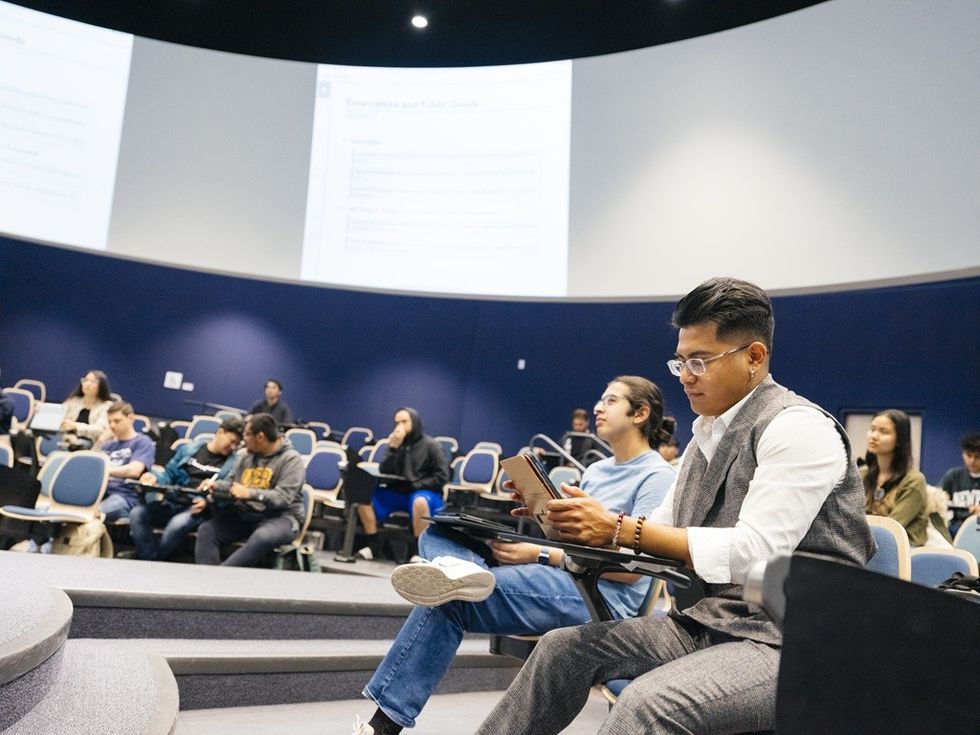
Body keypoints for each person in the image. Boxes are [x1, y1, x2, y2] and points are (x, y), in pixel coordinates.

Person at [474, 276, 875, 735]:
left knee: (649, 703)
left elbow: (757, 554)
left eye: (700, 362)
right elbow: (656, 533)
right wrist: (575, 523)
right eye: (681, 361)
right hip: (712, 623)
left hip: (796, 642)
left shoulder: (799, 428)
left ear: (754, 357)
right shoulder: (705, 439)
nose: (685, 376)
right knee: (560, 651)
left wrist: (618, 528)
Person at [350, 378, 677, 735]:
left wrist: (537, 553)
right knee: (438, 531)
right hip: (564, 571)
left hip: (597, 595)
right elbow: (572, 539)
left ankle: (380, 728)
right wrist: (539, 512)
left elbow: (631, 571)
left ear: (640, 413)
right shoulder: (597, 470)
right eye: (600, 399)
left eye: (610, 400)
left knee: (447, 597)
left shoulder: (656, 476)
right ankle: (462, 570)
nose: (598, 407)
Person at [194, 413, 305, 567]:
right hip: (246, 515)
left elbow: (283, 498)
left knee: (262, 537)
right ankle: (209, 583)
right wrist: (216, 485)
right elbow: (232, 484)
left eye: (246, 434)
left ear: (260, 437)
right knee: (207, 530)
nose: (243, 439)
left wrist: (250, 493)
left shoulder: (291, 459)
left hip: (281, 518)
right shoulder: (246, 457)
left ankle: (217, 579)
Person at [128, 417, 244, 561]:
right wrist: (154, 478)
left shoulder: (234, 464)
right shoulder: (190, 449)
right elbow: (169, 474)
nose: (233, 447)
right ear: (220, 432)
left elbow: (226, 492)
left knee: (177, 524)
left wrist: (208, 503)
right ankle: (150, 557)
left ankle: (148, 560)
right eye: (232, 441)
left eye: (237, 445)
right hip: (173, 501)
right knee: (137, 513)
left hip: (196, 509)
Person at [354, 407, 450, 562]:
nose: (399, 426)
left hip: (423, 491)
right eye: (396, 423)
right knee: (363, 497)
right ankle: (374, 545)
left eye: (404, 422)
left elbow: (442, 477)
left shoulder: (431, 445)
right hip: (397, 492)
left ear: (414, 422)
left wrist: (418, 484)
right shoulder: (395, 444)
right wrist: (393, 449)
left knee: (419, 502)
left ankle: (417, 551)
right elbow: (384, 469)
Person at [862, 409, 941, 547]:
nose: (874, 436)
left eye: (883, 431)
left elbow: (890, 530)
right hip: (865, 545)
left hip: (904, 551)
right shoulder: (862, 474)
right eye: (872, 429)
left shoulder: (914, 480)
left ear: (899, 439)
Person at [96, 401, 157, 523]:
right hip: (100, 493)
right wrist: (100, 441)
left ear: (131, 418)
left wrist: (104, 471)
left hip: (125, 497)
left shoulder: (143, 442)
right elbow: (90, 465)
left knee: (91, 514)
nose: (112, 425)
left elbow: (134, 471)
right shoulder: (108, 445)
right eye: (110, 422)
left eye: (117, 421)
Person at [940, 432, 980, 537]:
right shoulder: (953, 475)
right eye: (969, 455)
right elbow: (937, 497)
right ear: (963, 454)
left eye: (977, 457)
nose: (972, 461)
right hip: (954, 528)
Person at [61, 370, 113, 448]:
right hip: (66, 438)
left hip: (91, 444)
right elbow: (58, 418)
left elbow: (100, 429)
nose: (87, 384)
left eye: (93, 381)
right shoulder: (73, 401)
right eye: (85, 380)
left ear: (101, 386)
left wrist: (75, 426)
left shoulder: (106, 406)